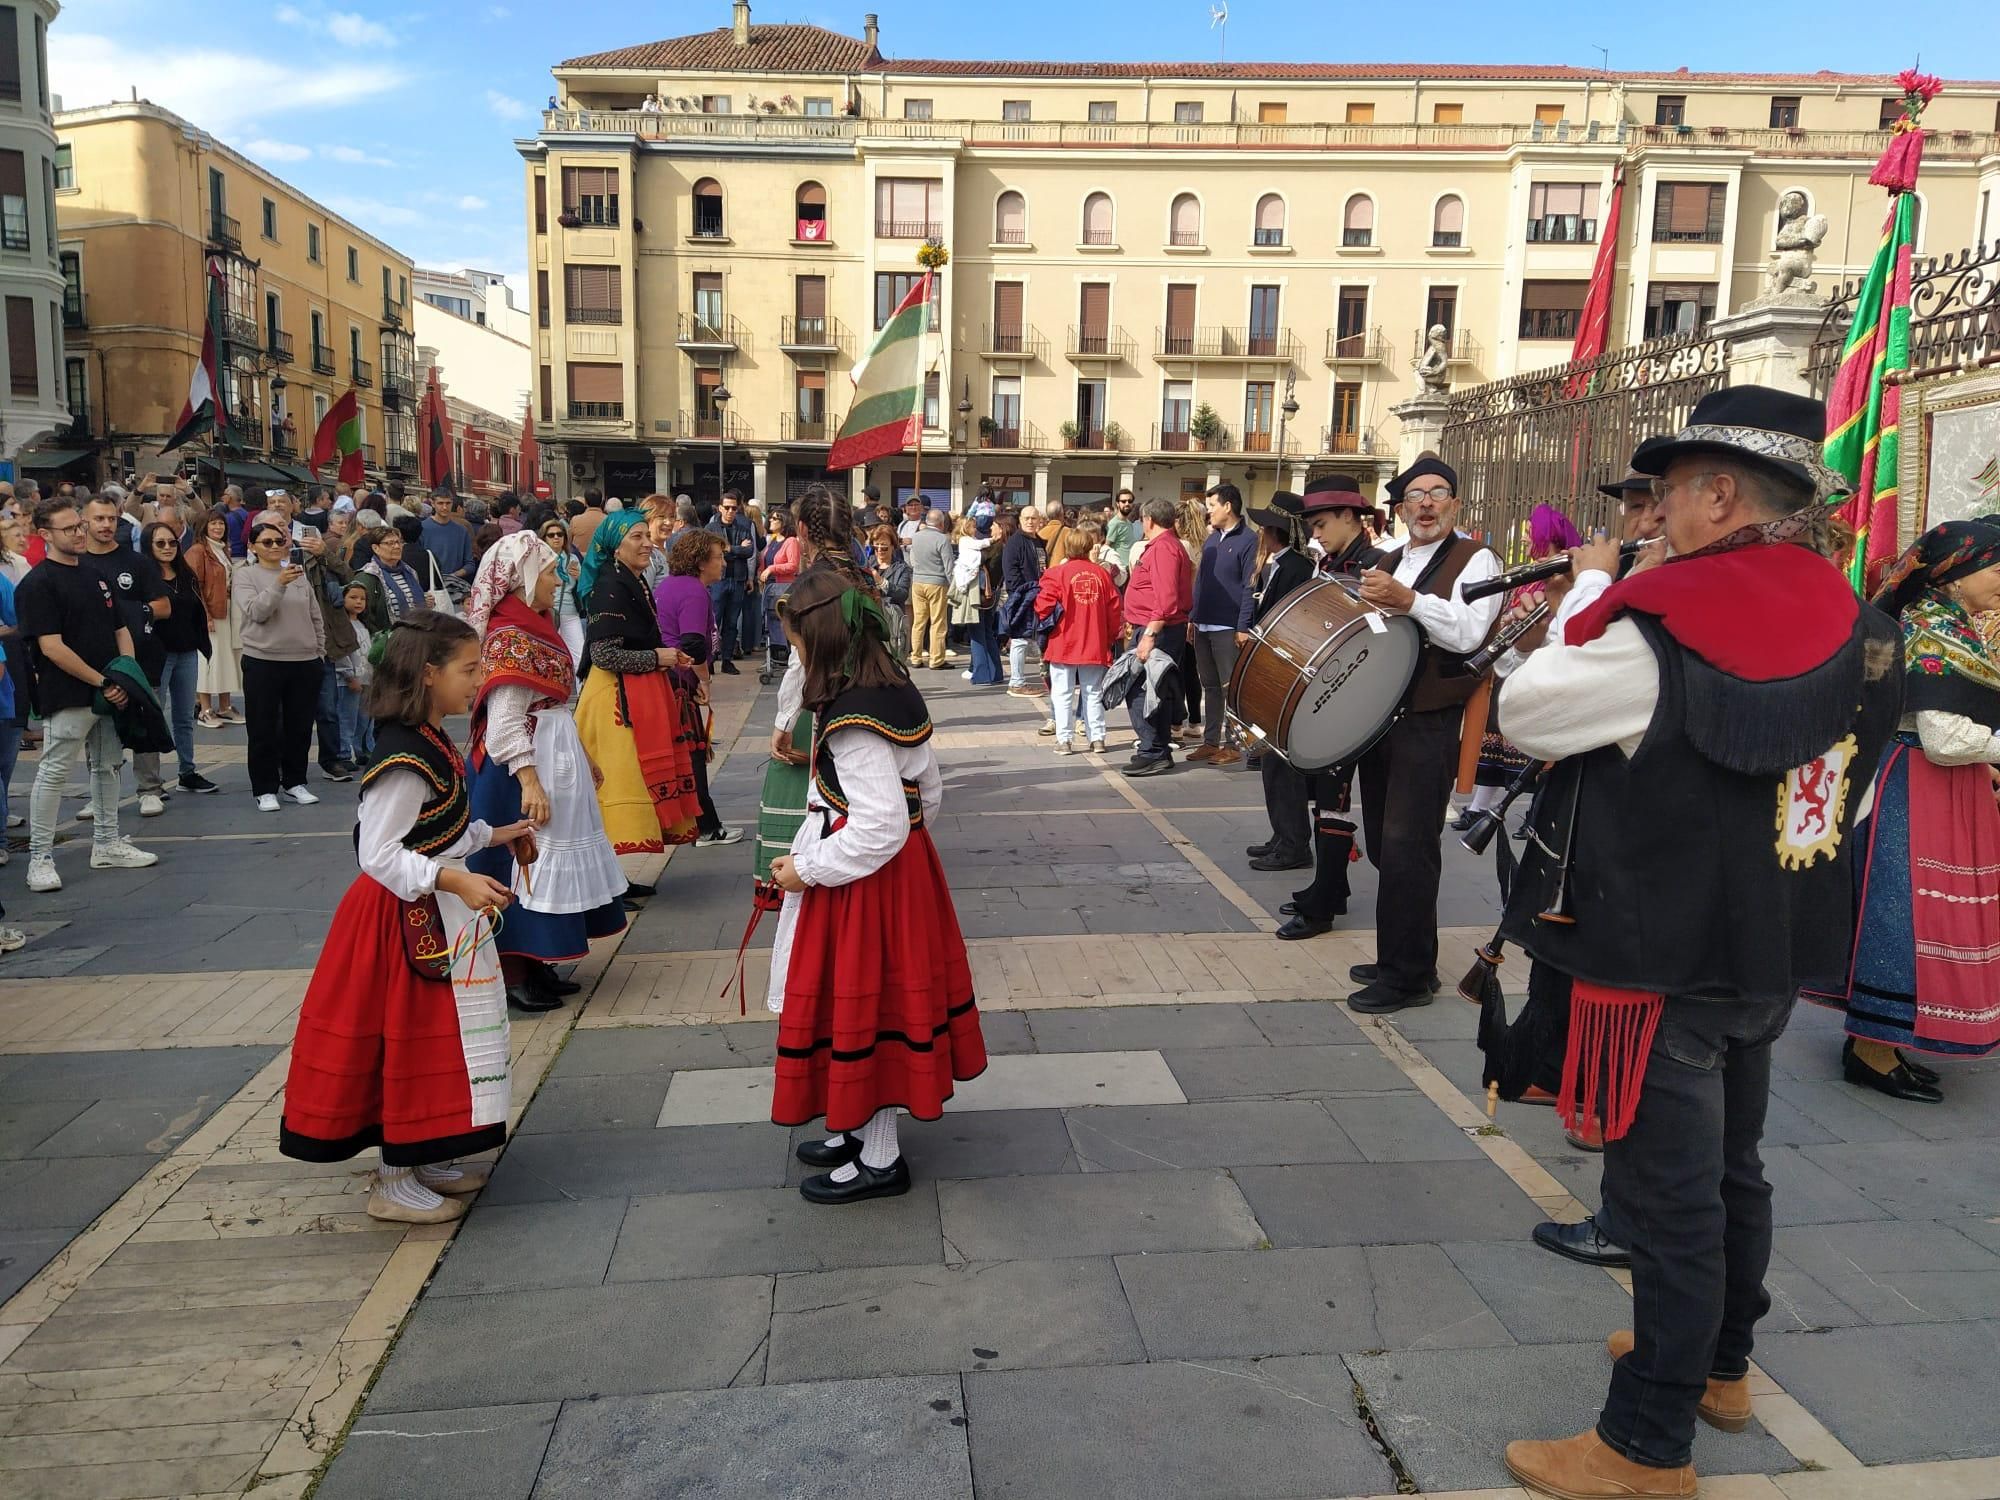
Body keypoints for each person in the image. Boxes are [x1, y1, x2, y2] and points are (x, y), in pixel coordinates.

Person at [1495, 387, 1902, 1500]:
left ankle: (1642, 1445)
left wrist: (1590, 584)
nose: (1652, 514)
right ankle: (1718, 1365)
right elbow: (1848, 803)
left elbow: (1526, 712)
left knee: (1663, 1201)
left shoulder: (1655, 619)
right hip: (1768, 950)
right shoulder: (1866, 626)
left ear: (1719, 495)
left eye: (1665, 492)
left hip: (1650, 958)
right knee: (1731, 1175)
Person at [279, 609, 532, 1225]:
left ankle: (424, 1154)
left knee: (442, 1037)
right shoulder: (404, 755)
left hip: (432, 908)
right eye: (470, 670)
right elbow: (379, 853)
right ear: (428, 674)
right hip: (399, 921)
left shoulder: (431, 737)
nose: (479, 680)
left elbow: (436, 829)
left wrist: (496, 834)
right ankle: (393, 1177)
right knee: (404, 1042)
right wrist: (450, 878)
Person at [766, 565, 987, 1204]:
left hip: (863, 882)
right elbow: (929, 793)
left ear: (822, 638)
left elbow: (881, 823)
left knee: (860, 1007)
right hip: (898, 874)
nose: (793, 652)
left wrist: (808, 869)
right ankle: (860, 1128)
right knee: (876, 1005)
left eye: (796, 641)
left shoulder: (854, 719)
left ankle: (880, 1155)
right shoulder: (892, 686)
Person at [1800, 520, 2000, 1103]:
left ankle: (1881, 1043)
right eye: (1993, 568)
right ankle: (1872, 1049)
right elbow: (1943, 736)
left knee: (1912, 913)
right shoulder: (1934, 628)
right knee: (1904, 914)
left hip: (1930, 785)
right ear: (1955, 577)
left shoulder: (1950, 623)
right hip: (1918, 786)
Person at [1346, 455, 1503, 1010]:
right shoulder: (1389, 557)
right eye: (1417, 494)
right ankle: (1406, 954)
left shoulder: (1476, 558)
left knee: (1410, 847)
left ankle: (1408, 975)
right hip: (1380, 718)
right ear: (1403, 506)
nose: (1428, 503)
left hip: (1428, 720)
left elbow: (1469, 633)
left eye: (1439, 493)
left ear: (1455, 504)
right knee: (1389, 847)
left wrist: (1410, 601)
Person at [463, 533, 629, 1013]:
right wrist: (529, 780)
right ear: (523, 577)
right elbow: (503, 724)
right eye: (550, 571)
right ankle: (515, 968)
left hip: (548, 752)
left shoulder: (532, 624)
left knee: (541, 858)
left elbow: (552, 704)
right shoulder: (510, 635)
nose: (557, 580)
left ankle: (538, 962)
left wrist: (582, 756)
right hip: (518, 767)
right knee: (522, 862)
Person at [18, 497, 159, 893]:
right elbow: (51, 646)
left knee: (108, 765)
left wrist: (126, 675)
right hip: (69, 693)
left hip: (109, 690)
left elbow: (120, 630)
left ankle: (107, 841)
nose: (79, 533)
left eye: (79, 526)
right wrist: (102, 681)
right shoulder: (38, 583)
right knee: (54, 771)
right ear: (44, 534)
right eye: (70, 529)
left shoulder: (96, 575)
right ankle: (40, 857)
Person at [1267, 478, 1384, 939]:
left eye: (1321, 524)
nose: (1315, 533)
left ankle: (1323, 905)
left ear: (1351, 517)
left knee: (1334, 802)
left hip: (1358, 697)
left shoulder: (1375, 565)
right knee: (1326, 800)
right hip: (1337, 692)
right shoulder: (1335, 560)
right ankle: (1330, 889)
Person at [574, 511, 703, 855]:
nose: (647, 543)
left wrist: (672, 662)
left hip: (635, 692)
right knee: (620, 780)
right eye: (636, 537)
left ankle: (617, 878)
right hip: (614, 700)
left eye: (647, 536)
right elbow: (604, 654)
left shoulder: (632, 580)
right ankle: (612, 876)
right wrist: (656, 658)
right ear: (615, 547)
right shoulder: (610, 587)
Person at [756, 486, 862, 891]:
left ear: (801, 530)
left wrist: (784, 719)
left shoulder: (812, 585)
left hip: (819, 703)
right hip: (861, 701)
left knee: (802, 794)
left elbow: (802, 661)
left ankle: (806, 874)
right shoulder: (861, 577)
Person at [1455, 502, 1584, 831]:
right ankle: (1483, 806)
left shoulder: (1567, 576)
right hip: (1513, 668)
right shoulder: (1532, 573)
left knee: (1541, 751)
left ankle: (1538, 813)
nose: (1527, 544)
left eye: (1532, 537)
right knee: (1497, 745)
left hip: (1545, 675)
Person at [654, 529, 744, 846]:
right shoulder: (693, 591)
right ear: (701, 561)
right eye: (718, 557)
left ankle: (702, 823)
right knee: (692, 755)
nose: (723, 563)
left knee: (689, 756)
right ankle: (705, 827)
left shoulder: (671, 585)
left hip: (670, 678)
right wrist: (705, 680)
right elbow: (693, 644)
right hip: (679, 681)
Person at [234, 521, 328, 812]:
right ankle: (264, 787)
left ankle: (294, 781)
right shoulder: (246, 575)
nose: (275, 547)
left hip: (304, 660)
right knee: (263, 727)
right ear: (252, 546)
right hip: (263, 659)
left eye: (279, 541)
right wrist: (278, 584)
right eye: (267, 542)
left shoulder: (299, 576)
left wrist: (319, 651)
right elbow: (257, 612)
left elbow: (315, 615)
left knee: (299, 727)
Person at [1246, 495, 1316, 871]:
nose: (1260, 532)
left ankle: (1294, 843)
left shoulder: (1295, 566)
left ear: (1275, 531)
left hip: (1286, 670)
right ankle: (1281, 834)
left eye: (1264, 526)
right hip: (1274, 665)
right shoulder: (1280, 564)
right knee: (1271, 761)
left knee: (1283, 762)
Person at [138, 522, 215, 797]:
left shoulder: (185, 574)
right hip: (156, 655)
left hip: (187, 651)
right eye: (160, 543)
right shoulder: (143, 575)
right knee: (154, 716)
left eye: (171, 542)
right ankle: (150, 783)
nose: (168, 548)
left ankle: (187, 771)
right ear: (148, 544)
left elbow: (196, 609)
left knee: (184, 717)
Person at [1120, 495, 1194, 777]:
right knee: (1154, 690)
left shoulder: (1164, 549)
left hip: (1157, 629)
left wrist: (1149, 634)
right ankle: (1155, 749)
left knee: (1142, 689)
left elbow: (1166, 598)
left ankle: (1152, 749)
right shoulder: (1167, 546)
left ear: (1148, 520)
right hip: (1158, 627)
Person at [1035, 522, 1122, 755]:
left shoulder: (1055, 573)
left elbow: (1043, 608)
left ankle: (1064, 740)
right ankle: (1098, 738)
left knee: (1062, 693)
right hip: (1094, 642)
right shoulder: (1102, 574)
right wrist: (1112, 636)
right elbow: (1115, 609)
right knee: (1093, 691)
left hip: (1063, 641)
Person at [1188, 484, 1257, 767]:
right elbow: (1202, 581)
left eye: (1212, 506)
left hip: (1228, 626)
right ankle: (1210, 741)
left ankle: (1234, 743)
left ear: (1228, 506)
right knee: (1210, 686)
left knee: (1231, 687)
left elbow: (1249, 586)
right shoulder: (1211, 539)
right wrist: (1193, 616)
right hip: (1203, 623)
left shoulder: (1249, 540)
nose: (1209, 513)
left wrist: (1243, 625)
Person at [298, 525, 359, 783]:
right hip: (287, 644)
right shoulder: (267, 559)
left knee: (328, 709)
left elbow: (348, 575)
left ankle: (332, 760)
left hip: (322, 642)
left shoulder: (323, 553)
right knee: (288, 713)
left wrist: (325, 554)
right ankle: (288, 766)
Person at [186, 509, 244, 727]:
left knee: (226, 659)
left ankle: (225, 706)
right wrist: (205, 616)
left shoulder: (221, 550)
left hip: (226, 611)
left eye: (221, 524)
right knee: (208, 661)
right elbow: (194, 587)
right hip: (210, 612)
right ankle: (205, 709)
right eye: (213, 524)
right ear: (204, 527)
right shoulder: (198, 551)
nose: (218, 528)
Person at [707, 488, 758, 670]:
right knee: (714, 621)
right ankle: (711, 659)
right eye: (727, 508)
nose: (730, 512)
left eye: (734, 508)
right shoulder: (711, 528)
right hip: (717, 580)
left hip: (737, 580)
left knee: (732, 622)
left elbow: (749, 551)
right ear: (720, 508)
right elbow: (712, 552)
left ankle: (727, 660)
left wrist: (729, 549)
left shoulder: (744, 527)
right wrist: (735, 549)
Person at [999, 507, 1046, 697]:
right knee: (1019, 638)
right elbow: (1011, 573)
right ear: (1020, 520)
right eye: (1026, 518)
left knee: (1030, 637)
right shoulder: (1015, 543)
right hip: (1022, 595)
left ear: (1039, 520)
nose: (1030, 521)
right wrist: (1022, 593)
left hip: (1039, 594)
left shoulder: (1039, 541)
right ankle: (1017, 682)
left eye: (1034, 518)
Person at [950, 513, 1000, 685]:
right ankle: (996, 672)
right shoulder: (993, 547)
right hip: (989, 592)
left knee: (976, 634)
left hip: (974, 592)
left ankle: (982, 674)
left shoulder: (970, 543)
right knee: (987, 632)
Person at [536, 513, 587, 665]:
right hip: (548, 612)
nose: (556, 538)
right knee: (548, 657)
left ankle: (580, 688)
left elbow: (583, 588)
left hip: (570, 611)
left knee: (579, 655)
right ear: (544, 538)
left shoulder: (572, 559)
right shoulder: (539, 560)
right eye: (551, 535)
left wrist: (580, 578)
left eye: (560, 534)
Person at [335, 582, 376, 768]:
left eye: (362, 599)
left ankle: (361, 750)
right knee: (347, 718)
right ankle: (345, 753)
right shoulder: (341, 625)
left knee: (365, 719)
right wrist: (348, 675)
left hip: (366, 679)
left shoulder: (362, 624)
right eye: (353, 597)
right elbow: (342, 652)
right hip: (348, 681)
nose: (358, 602)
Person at [355, 524, 426, 633]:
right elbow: (365, 616)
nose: (397, 546)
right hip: (388, 639)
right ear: (376, 548)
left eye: (399, 542)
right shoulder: (368, 576)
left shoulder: (409, 572)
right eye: (390, 543)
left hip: (416, 635)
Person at [907, 509, 954, 669]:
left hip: (918, 581)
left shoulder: (916, 537)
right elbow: (949, 565)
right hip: (937, 582)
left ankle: (915, 657)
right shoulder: (942, 539)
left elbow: (912, 560)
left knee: (919, 622)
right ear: (941, 523)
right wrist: (953, 585)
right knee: (938, 622)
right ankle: (936, 659)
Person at [421, 491, 475, 594]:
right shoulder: (422, 528)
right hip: (429, 588)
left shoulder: (461, 531)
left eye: (448, 503)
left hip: (455, 588)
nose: (445, 507)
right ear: (433, 504)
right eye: (440, 503)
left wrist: (453, 576)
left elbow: (470, 564)